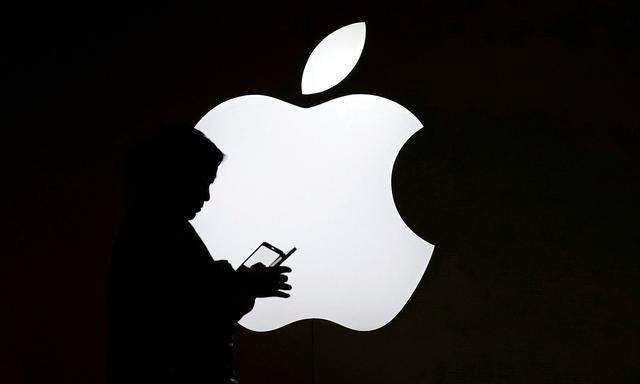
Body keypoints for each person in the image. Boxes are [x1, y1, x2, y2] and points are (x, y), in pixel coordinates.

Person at [107, 124, 291, 384]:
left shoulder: (153, 228)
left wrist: (239, 284)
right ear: (174, 177)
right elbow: (183, 311)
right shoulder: (156, 233)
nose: (205, 196)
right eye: (201, 182)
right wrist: (241, 284)